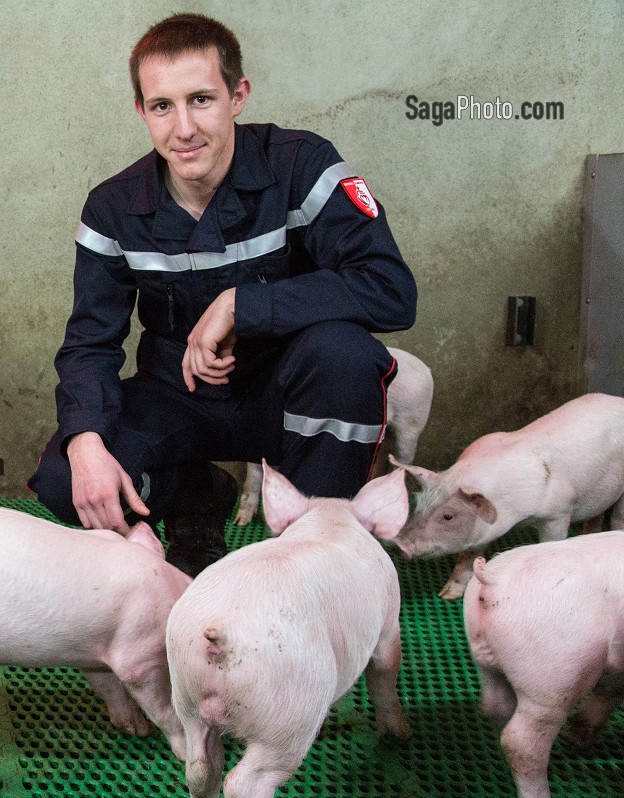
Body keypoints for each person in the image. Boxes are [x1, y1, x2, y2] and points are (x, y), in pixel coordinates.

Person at [28, 12, 416, 576]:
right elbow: (91, 342)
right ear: (142, 111)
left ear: (239, 95)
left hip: (288, 395)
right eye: (162, 106)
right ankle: (193, 494)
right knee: (69, 479)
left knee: (346, 357)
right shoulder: (112, 208)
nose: (183, 128)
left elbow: (390, 289)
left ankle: (316, 548)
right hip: (178, 397)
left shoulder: (301, 167)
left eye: (202, 99)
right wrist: (85, 440)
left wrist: (243, 304)